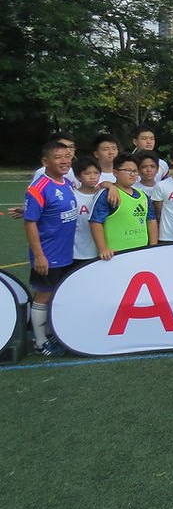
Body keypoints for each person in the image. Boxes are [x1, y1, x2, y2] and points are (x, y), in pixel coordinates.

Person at [24, 141, 78, 356]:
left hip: (65, 252)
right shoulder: (38, 188)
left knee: (55, 293)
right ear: (45, 161)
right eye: (58, 157)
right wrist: (39, 255)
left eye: (67, 156)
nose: (65, 161)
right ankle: (39, 342)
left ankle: (49, 333)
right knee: (43, 295)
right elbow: (30, 223)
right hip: (48, 254)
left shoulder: (66, 183)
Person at [89, 153, 158, 257]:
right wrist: (103, 249)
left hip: (141, 252)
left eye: (135, 171)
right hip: (116, 254)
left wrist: (153, 247)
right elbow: (95, 222)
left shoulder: (143, 196)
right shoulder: (106, 194)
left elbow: (151, 221)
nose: (133, 174)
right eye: (128, 171)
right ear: (115, 172)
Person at [70, 156, 101, 267]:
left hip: (99, 251)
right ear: (78, 176)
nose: (93, 177)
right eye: (87, 174)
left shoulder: (103, 195)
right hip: (76, 252)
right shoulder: (72, 196)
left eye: (96, 173)